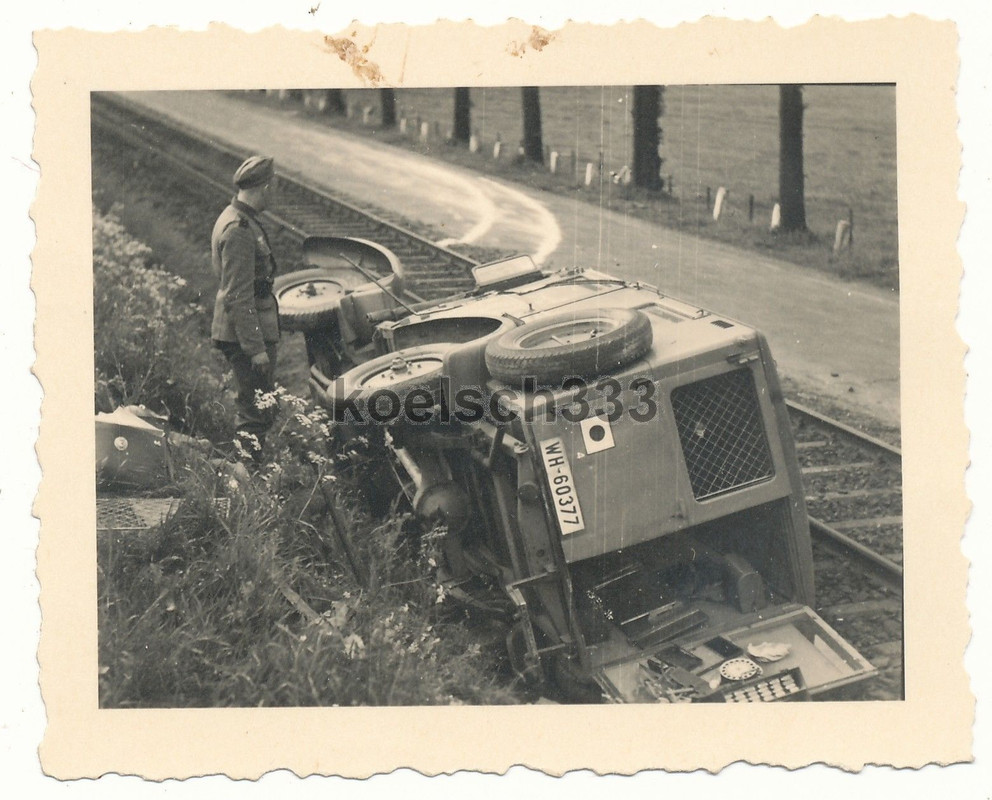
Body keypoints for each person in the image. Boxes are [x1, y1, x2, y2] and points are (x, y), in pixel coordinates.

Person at [211, 155, 281, 464]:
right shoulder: (239, 229)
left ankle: (248, 474)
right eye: (273, 186)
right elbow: (238, 295)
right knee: (254, 412)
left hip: (245, 330)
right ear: (264, 188)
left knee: (258, 407)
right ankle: (247, 481)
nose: (274, 193)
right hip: (245, 337)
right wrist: (256, 349)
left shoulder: (237, 218)